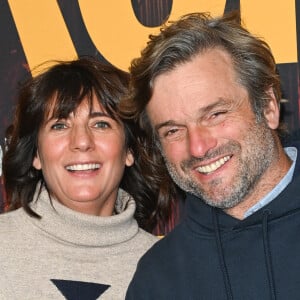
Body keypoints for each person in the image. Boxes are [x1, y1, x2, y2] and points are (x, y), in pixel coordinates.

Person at [120, 11, 300, 299]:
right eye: (174, 131)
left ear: (268, 107)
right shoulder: (158, 278)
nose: (199, 148)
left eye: (215, 114)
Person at [0, 57, 161, 299]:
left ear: (130, 150)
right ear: (36, 154)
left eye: (101, 124)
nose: (82, 141)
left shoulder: (168, 266)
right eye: (60, 126)